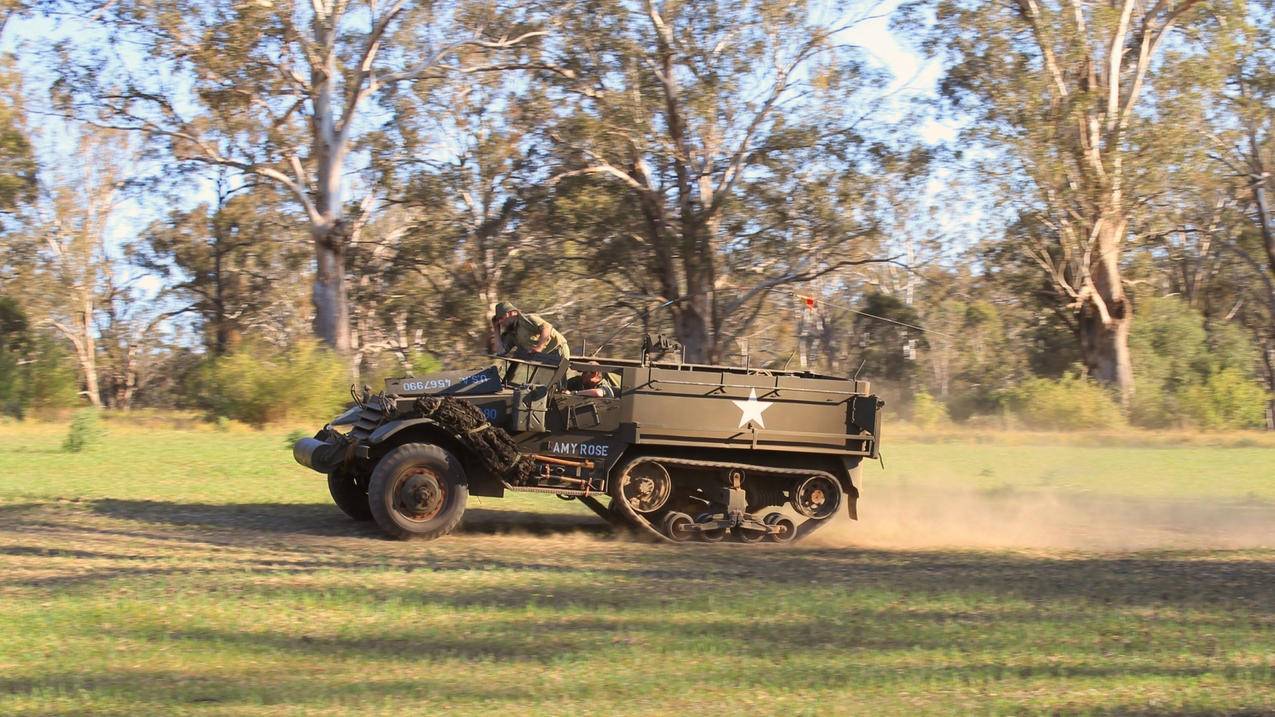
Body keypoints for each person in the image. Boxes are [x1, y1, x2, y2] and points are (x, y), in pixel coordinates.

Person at [489, 301, 570, 364]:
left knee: (557, 382)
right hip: (543, 356)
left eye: (501, 318)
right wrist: (496, 329)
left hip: (557, 349)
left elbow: (547, 327)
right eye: (498, 319)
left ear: (511, 313)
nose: (500, 321)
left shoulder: (528, 319)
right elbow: (500, 351)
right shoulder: (511, 333)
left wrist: (539, 347)